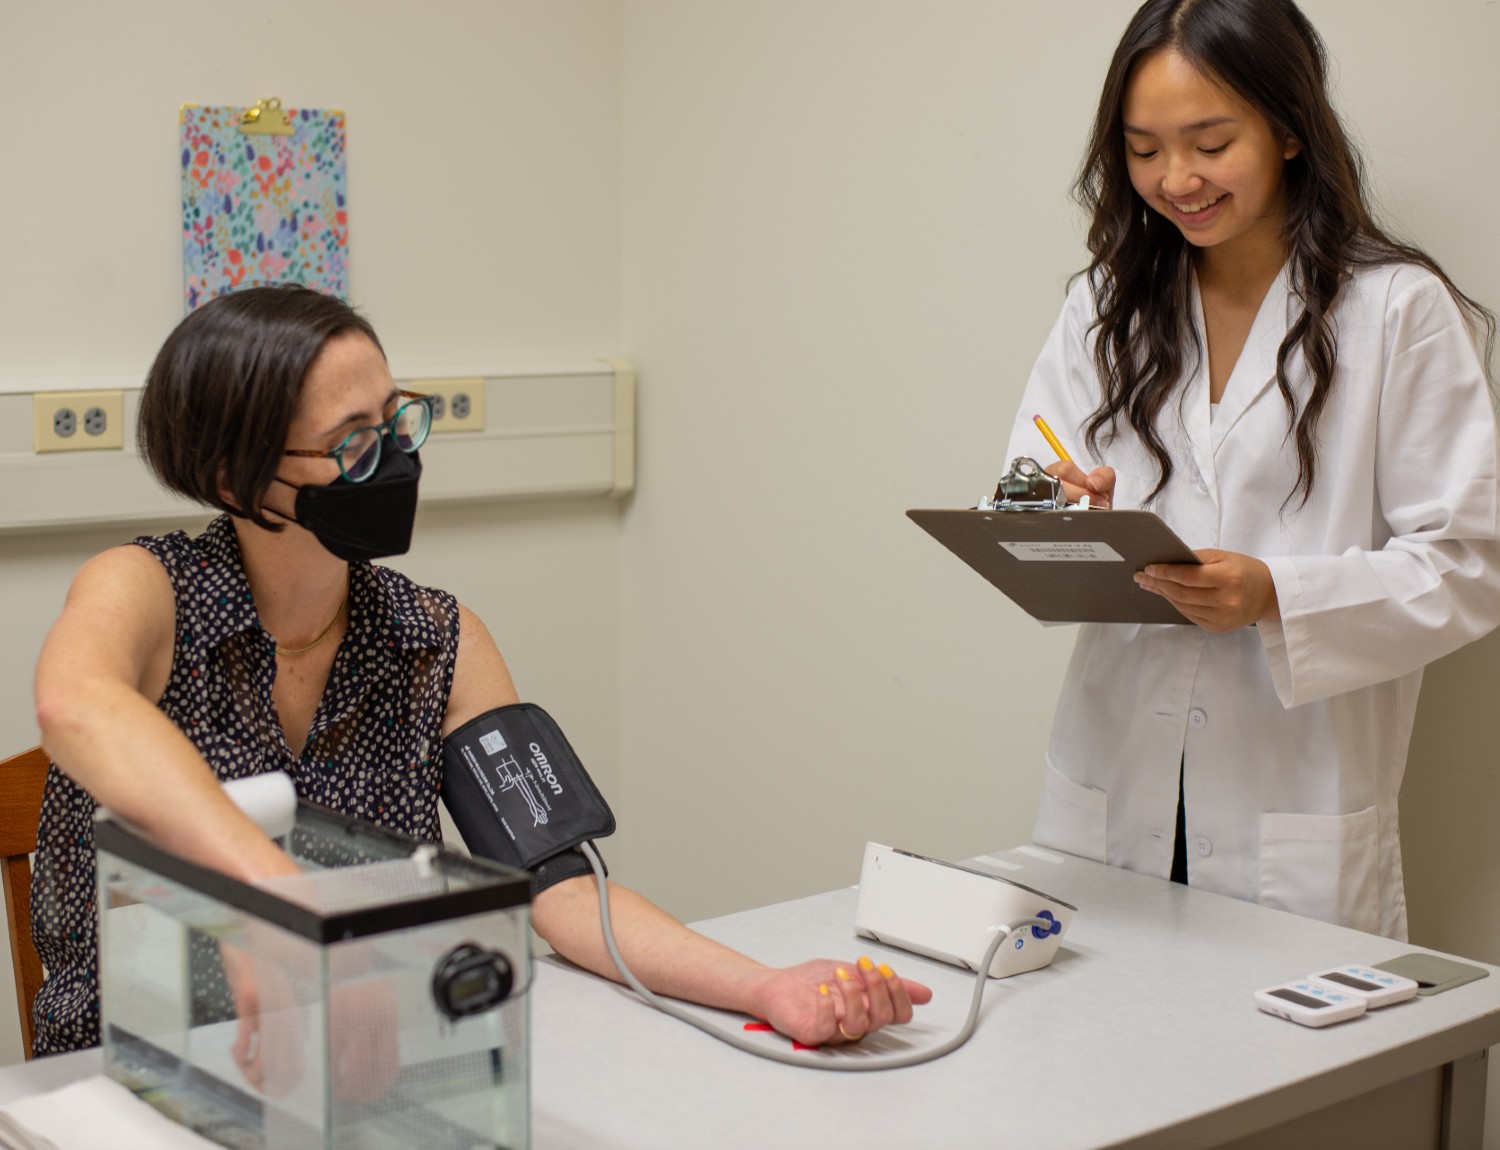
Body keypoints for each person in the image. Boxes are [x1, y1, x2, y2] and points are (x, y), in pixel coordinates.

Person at [30, 284, 930, 1059]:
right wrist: (272, 892)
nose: (396, 459)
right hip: (122, 1078)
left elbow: (559, 888)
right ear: (237, 480)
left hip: (355, 1066)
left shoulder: (435, 639)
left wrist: (764, 987)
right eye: (353, 442)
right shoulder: (146, 591)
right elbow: (76, 703)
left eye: (398, 420)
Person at [1004, 0, 1500, 939]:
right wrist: (1065, 513)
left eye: (1210, 143)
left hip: (1292, 803)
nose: (1175, 179)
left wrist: (1278, 595)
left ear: (1288, 129)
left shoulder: (1396, 311)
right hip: (1110, 786)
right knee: (1097, 1021)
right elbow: (1023, 494)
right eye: (1144, 149)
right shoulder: (1104, 308)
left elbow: (1470, 564)